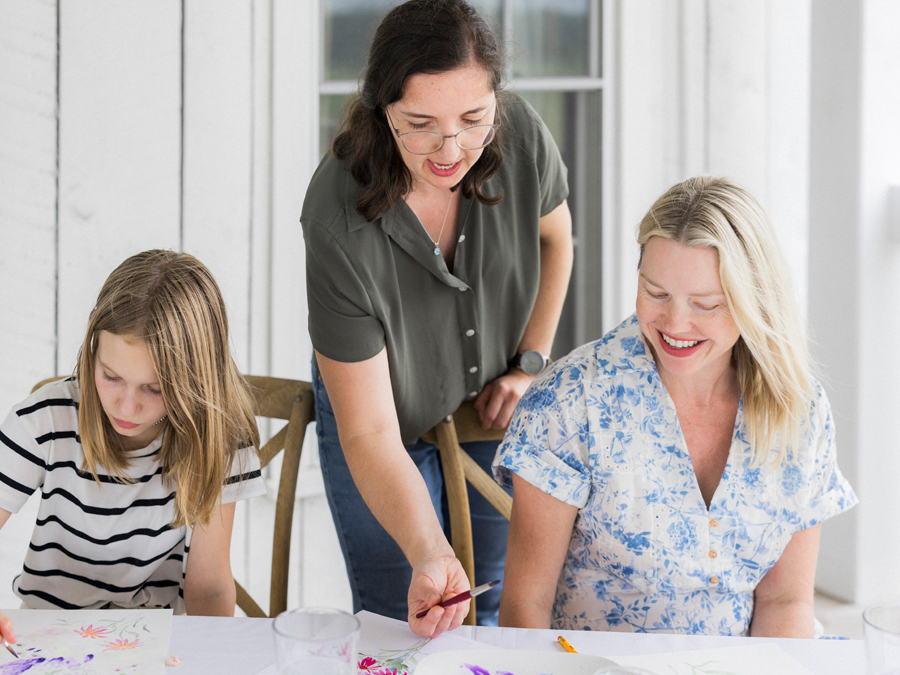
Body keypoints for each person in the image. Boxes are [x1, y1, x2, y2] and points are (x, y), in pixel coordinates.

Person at [301, 0, 572, 636]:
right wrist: (429, 551)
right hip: (378, 413)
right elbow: (368, 435)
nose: (452, 149)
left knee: (495, 597)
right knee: (407, 612)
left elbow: (557, 242)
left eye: (473, 118)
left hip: (488, 397)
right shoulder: (335, 218)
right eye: (420, 123)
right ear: (381, 110)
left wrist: (531, 361)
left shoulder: (521, 133)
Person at [493, 176, 858, 637]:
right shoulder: (570, 401)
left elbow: (785, 601)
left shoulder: (799, 409)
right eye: (656, 293)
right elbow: (525, 605)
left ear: (755, 301)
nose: (675, 324)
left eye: (706, 304)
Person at [0, 250, 266, 646]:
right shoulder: (44, 420)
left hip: (158, 645)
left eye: (155, 389)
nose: (126, 407)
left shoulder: (223, 436)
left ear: (196, 383)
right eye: (111, 376)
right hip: (48, 639)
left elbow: (209, 587)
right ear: (92, 350)